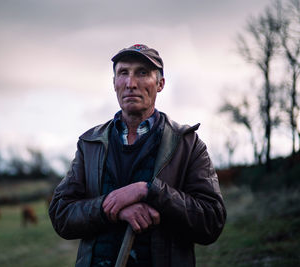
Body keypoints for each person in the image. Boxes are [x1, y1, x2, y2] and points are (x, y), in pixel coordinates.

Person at [49, 44, 226, 267]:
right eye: (123, 73)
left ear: (160, 84)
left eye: (142, 73)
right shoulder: (90, 144)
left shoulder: (188, 144)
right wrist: (110, 208)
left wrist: (149, 191)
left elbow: (211, 221)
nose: (131, 83)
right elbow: (61, 214)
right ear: (114, 83)